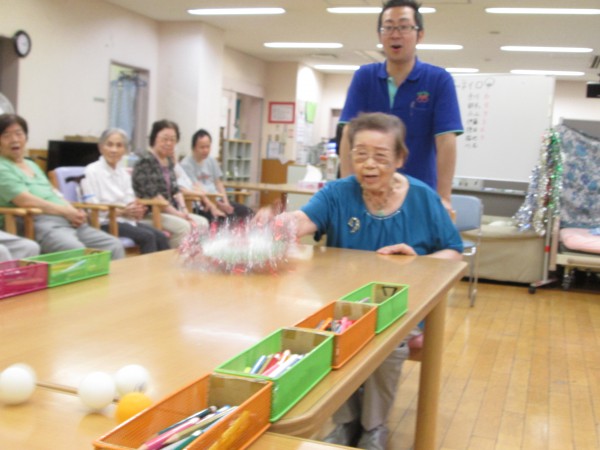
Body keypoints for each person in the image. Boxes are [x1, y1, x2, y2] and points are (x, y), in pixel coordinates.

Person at [256, 112, 463, 450]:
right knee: (325, 336)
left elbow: (453, 253)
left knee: (390, 342)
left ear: (400, 158)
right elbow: (303, 219)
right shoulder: (338, 192)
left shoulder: (423, 198)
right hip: (340, 308)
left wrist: (418, 262)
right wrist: (274, 225)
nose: (369, 165)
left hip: (400, 309)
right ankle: (346, 422)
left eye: (381, 156)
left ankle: (373, 427)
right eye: (360, 154)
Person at [338, 0, 463, 211]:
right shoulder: (364, 77)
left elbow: (445, 141)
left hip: (419, 197)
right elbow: (349, 134)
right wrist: (346, 190)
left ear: (419, 34)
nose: (395, 34)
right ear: (380, 35)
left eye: (404, 27)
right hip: (368, 195)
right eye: (388, 27)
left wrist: (444, 198)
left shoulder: (438, 80)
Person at [0, 114, 125, 260]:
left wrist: (73, 211)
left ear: (26, 138)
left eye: (19, 133)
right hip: (37, 221)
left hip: (65, 219)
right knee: (76, 251)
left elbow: (53, 193)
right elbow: (25, 200)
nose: (14, 139)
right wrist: (65, 211)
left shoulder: (31, 164)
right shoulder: (2, 166)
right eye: (6, 135)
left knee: (113, 246)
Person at [84, 128, 170, 254]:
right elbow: (92, 208)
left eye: (119, 145)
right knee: (147, 237)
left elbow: (129, 200)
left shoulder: (123, 173)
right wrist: (121, 212)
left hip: (125, 221)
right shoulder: (91, 171)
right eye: (110, 145)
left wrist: (136, 211)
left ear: (124, 150)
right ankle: (147, 274)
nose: (114, 150)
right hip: (105, 223)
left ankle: (164, 273)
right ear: (101, 147)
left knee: (161, 236)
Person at [131, 119, 208, 248]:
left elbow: (176, 190)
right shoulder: (145, 161)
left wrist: (184, 210)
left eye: (173, 139)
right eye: (165, 139)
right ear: (154, 138)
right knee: (183, 227)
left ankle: (194, 261)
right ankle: (172, 264)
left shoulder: (168, 162)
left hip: (169, 212)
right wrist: (179, 215)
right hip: (150, 213)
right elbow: (155, 196)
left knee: (203, 223)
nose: (169, 143)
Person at [180, 129, 253, 223]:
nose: (205, 150)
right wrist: (216, 206)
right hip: (202, 204)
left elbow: (218, 183)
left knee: (246, 212)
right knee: (225, 219)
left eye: (208, 147)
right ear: (194, 147)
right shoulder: (186, 164)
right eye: (202, 147)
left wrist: (225, 202)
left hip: (218, 200)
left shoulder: (211, 160)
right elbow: (197, 190)